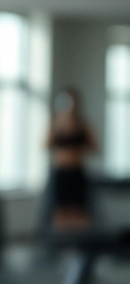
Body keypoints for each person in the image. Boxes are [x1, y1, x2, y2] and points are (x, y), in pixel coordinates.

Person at [45, 87, 98, 231]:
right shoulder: (55, 124)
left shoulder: (83, 125)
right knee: (60, 212)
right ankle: (61, 246)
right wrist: (60, 127)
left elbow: (95, 148)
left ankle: (80, 244)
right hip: (61, 172)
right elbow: (45, 146)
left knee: (80, 211)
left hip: (77, 172)